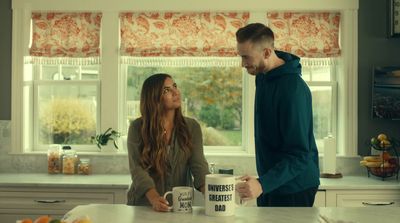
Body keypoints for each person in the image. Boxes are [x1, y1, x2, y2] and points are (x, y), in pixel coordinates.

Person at [235, 23, 320, 207]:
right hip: (273, 183)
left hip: (295, 188)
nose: (242, 64)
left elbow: (299, 154)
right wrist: (262, 182)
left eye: (246, 57)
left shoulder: (293, 90)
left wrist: (263, 183)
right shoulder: (263, 77)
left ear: (266, 53)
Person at [126, 73, 210, 211]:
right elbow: (138, 170)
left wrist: (212, 194)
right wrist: (154, 199)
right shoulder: (137, 128)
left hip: (180, 207)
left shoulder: (192, 127)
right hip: (144, 206)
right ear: (154, 98)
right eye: (166, 90)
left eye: (175, 86)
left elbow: (199, 165)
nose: (175, 92)